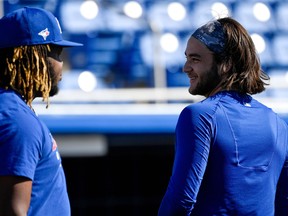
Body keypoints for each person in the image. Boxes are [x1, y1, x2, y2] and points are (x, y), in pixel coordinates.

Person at [158, 17, 288, 216]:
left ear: (226, 63)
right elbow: (284, 203)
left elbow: (180, 201)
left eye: (195, 59)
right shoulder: (277, 123)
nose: (185, 68)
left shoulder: (198, 116)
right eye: (186, 58)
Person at [0, 7, 82, 215]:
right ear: (33, 55)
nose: (62, 64)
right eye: (57, 52)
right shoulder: (17, 121)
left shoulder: (11, 109)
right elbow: (13, 211)